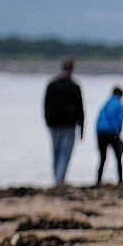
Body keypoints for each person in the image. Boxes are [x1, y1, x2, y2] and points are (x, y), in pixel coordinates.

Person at [43, 57, 85, 187]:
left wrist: (47, 121)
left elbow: (45, 105)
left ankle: (57, 179)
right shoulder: (74, 86)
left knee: (55, 152)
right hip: (68, 124)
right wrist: (82, 125)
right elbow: (80, 107)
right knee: (65, 153)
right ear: (72, 69)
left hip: (54, 123)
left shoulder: (52, 84)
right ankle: (59, 180)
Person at [94, 85, 123, 186]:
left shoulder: (106, 104)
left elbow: (99, 119)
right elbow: (119, 121)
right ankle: (120, 180)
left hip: (101, 132)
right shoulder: (120, 105)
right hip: (112, 133)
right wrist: (118, 133)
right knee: (118, 157)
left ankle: (98, 180)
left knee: (102, 158)